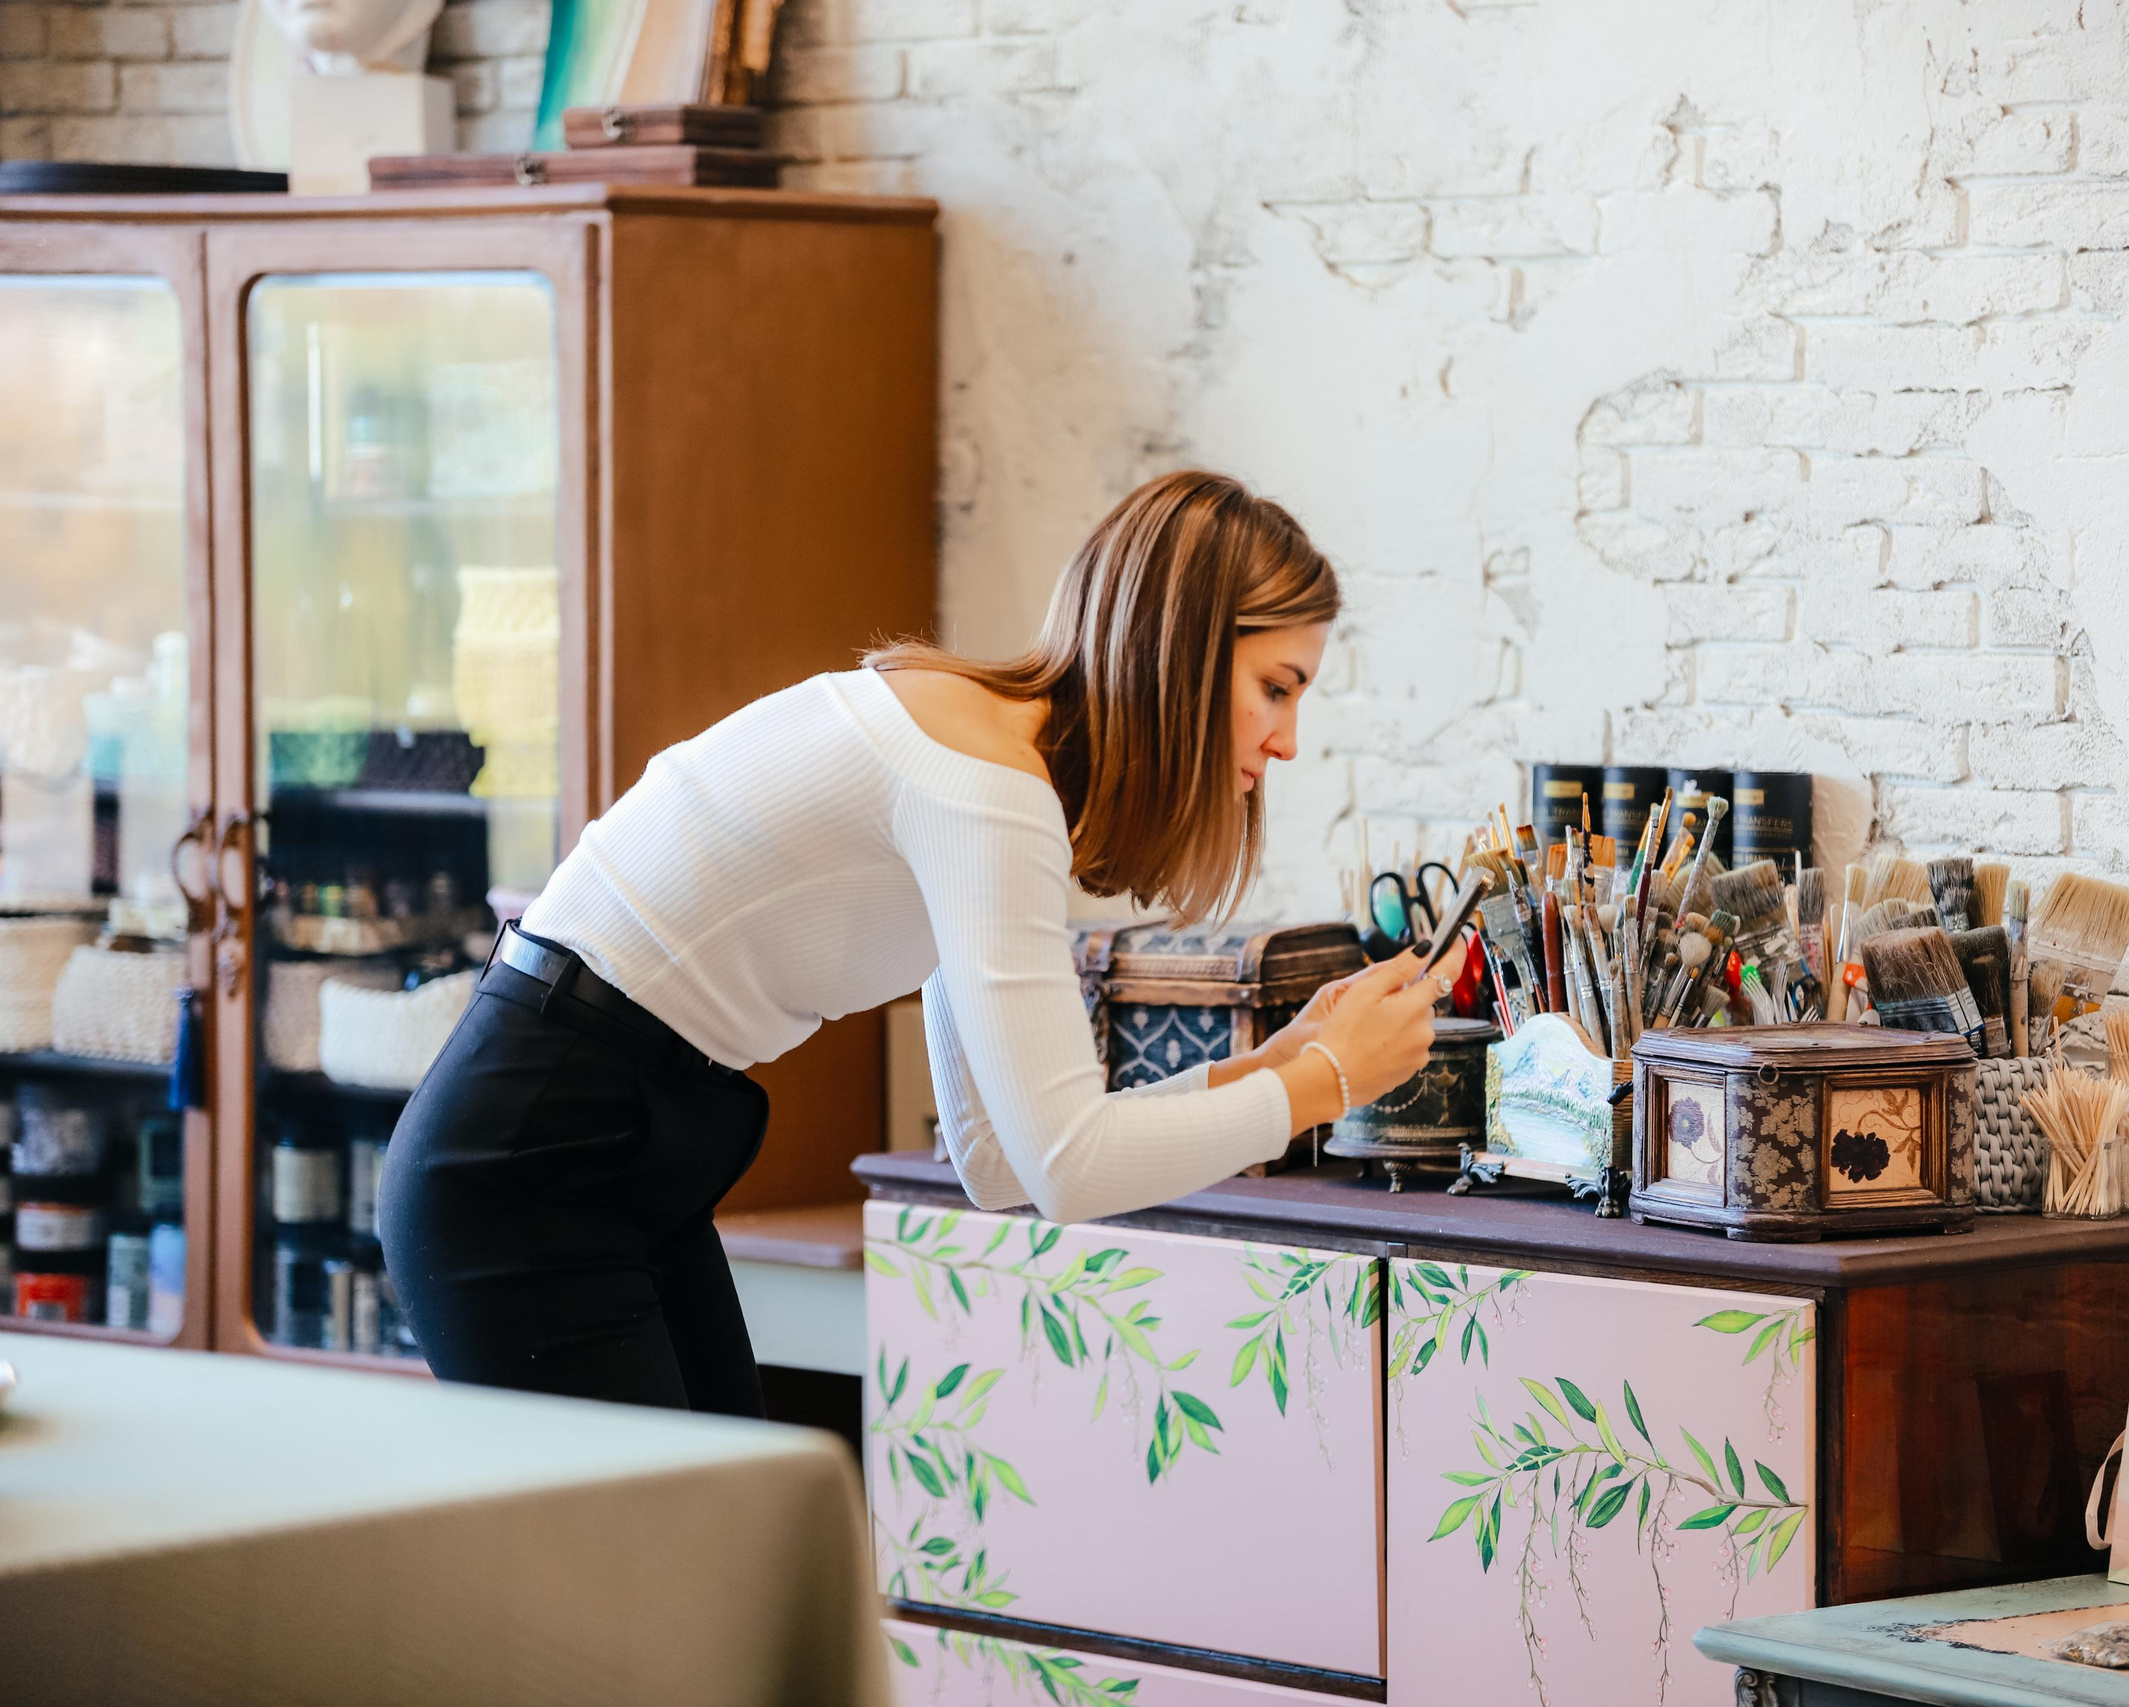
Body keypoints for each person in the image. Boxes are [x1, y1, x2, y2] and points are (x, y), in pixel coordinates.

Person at [380, 471, 1462, 1417]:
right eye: (1277, 686)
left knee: (713, 1581)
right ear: (1177, 654)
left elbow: (997, 1159)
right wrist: (1322, 1084)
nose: (1288, 739)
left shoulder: (985, 762)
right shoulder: (983, 791)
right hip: (527, 1162)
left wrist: (1265, 1069)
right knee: (660, 1605)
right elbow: (1066, 1165)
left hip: (608, 1152)